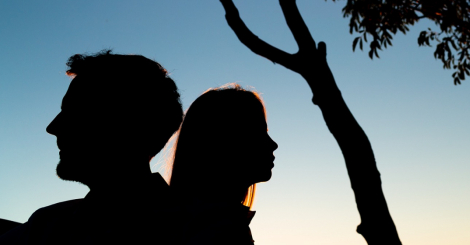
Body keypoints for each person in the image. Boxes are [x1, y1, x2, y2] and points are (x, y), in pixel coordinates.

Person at [0, 51, 184, 244]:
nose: (52, 127)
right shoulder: (46, 224)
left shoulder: (194, 233)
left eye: (76, 112)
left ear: (132, 125)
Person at [167, 85, 278, 244]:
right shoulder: (218, 232)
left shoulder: (190, 223)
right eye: (258, 133)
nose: (273, 145)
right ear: (223, 142)